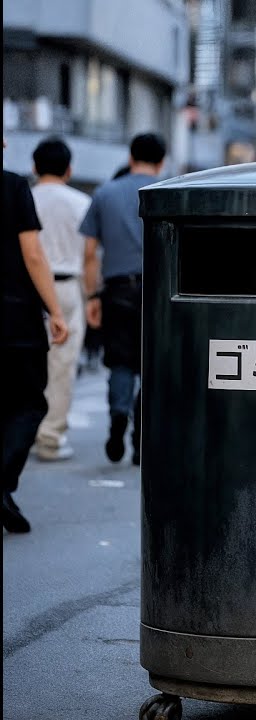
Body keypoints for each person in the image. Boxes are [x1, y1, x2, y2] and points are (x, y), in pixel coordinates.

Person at [81, 132, 167, 465]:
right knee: (152, 364)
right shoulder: (168, 190)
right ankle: (141, 437)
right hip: (160, 290)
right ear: (160, 162)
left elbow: (90, 254)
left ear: (130, 158)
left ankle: (118, 415)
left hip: (117, 289)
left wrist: (93, 295)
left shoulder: (104, 193)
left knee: (120, 360)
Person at [3, 140, 70, 533]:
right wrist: (56, 310)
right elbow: (32, 253)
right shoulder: (12, 186)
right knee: (28, 404)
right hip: (14, 317)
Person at [29, 137, 92, 461]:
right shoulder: (81, 202)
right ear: (69, 169)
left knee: (24, 364)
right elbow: (92, 253)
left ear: (34, 167)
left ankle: (22, 432)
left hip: (25, 287)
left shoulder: (24, 196)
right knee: (62, 365)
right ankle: (51, 438)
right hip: (67, 287)